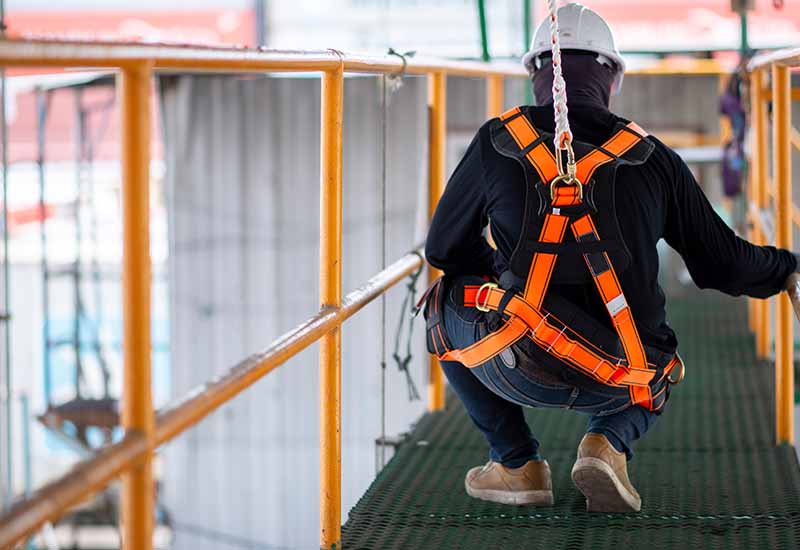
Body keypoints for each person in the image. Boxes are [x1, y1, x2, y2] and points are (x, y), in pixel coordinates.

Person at [422, 3, 797, 513]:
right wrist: (786, 265)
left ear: (535, 73)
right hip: (626, 375)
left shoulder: (497, 140)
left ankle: (516, 465)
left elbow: (444, 250)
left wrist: (500, 280)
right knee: (660, 353)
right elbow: (723, 265)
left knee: (442, 302)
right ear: (614, 78)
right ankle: (609, 443)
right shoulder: (654, 156)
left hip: (520, 361)